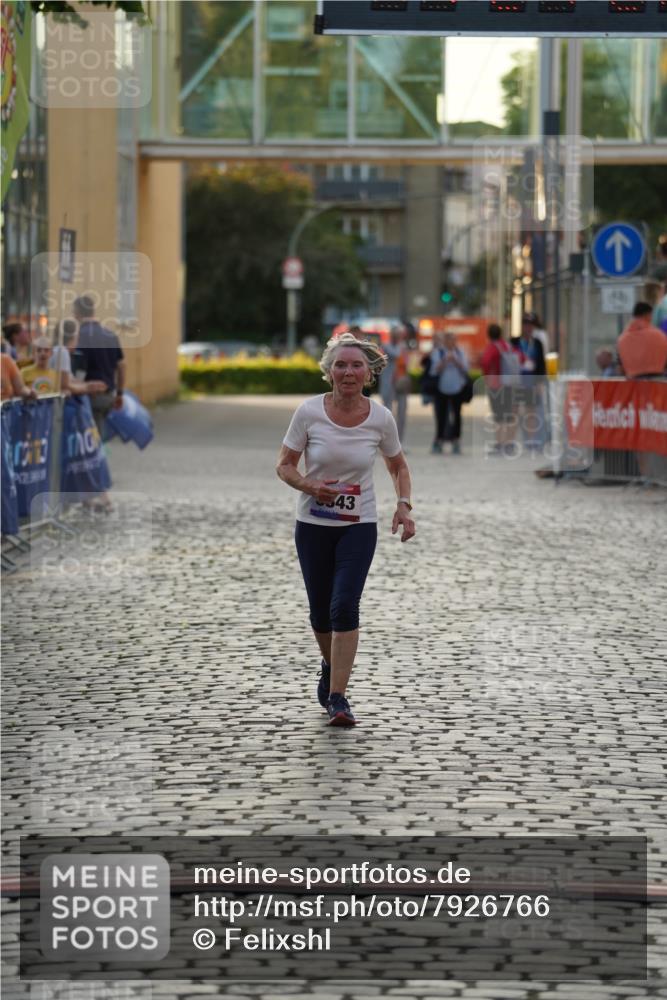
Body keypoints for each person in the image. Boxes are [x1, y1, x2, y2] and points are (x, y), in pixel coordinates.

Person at [276, 332, 415, 727]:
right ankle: (329, 663)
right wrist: (310, 485)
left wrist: (403, 505)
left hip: (359, 526)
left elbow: (398, 466)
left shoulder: (380, 418)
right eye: (341, 365)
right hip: (313, 525)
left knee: (343, 606)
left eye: (356, 365)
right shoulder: (308, 413)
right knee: (320, 613)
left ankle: (338, 698)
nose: (348, 372)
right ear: (329, 372)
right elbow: (284, 465)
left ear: (369, 373)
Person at [73, 295, 126, 435]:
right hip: (108, 395)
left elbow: (79, 368)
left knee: (90, 439)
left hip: (89, 396)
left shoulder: (79, 336)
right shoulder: (110, 335)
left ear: (77, 312)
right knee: (98, 435)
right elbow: (121, 366)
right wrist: (120, 393)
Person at [480, 323, 521, 454]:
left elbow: (485, 362)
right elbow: (521, 358)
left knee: (499, 416)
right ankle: (509, 443)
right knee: (509, 415)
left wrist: (486, 378)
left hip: (496, 385)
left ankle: (500, 443)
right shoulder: (508, 346)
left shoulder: (492, 347)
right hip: (510, 383)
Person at [51, 319, 107, 396]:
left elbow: (69, 381)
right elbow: (64, 385)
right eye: (77, 336)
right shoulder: (62, 352)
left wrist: (89, 384)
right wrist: (88, 388)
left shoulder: (58, 350)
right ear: (72, 337)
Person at [434, 331, 469, 455]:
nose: (451, 342)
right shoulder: (439, 352)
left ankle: (456, 441)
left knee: (457, 416)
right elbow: (434, 370)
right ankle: (439, 441)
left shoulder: (460, 352)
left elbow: (465, 368)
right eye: (448, 340)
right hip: (442, 389)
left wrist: (455, 360)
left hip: (457, 388)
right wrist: (444, 361)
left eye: (453, 340)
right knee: (441, 416)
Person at [518, 315, 547, 450]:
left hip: (532, 380)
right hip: (518, 380)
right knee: (519, 411)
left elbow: (541, 364)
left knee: (532, 410)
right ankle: (521, 436)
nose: (528, 328)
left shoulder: (537, 343)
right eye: (526, 325)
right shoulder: (515, 342)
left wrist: (540, 382)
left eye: (531, 326)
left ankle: (532, 438)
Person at [617, 302, 667, 379]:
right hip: (658, 382)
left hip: (633, 383)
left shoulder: (622, 339)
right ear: (648, 315)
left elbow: (620, 367)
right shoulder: (659, 335)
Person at [378, 325, 410, 443]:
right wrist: (402, 347)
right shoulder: (386, 346)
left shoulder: (403, 347)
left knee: (402, 414)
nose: (400, 337)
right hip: (389, 384)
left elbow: (407, 362)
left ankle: (400, 442)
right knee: (387, 413)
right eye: (397, 334)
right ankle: (387, 442)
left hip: (401, 382)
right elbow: (395, 354)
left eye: (400, 334)